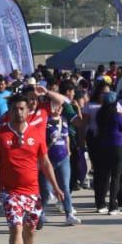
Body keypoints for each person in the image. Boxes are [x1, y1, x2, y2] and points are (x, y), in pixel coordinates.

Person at [0, 94, 66, 244]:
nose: (18, 112)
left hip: (32, 192)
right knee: (16, 228)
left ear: (28, 110)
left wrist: (56, 187)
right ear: (9, 111)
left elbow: (45, 162)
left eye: (22, 108)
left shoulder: (37, 133)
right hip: (9, 191)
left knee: (30, 231)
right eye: (15, 108)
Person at [41, 91, 82, 226]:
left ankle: (69, 213)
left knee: (65, 186)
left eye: (59, 106)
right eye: (54, 105)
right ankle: (40, 213)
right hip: (48, 161)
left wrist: (68, 151)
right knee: (46, 191)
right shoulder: (44, 121)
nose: (57, 108)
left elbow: (67, 137)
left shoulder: (64, 121)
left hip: (63, 158)